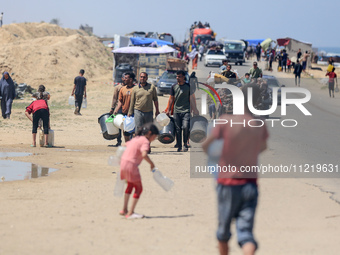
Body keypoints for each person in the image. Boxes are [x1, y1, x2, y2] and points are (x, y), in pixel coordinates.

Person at [202, 83, 268, 255]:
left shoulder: (225, 122)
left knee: (223, 232)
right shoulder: (259, 124)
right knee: (246, 234)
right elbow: (262, 147)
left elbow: (206, 146)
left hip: (228, 183)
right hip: (250, 184)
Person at [119, 123, 159, 219]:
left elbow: (123, 145)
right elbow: (144, 154)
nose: (154, 139)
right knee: (138, 188)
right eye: (154, 137)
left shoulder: (136, 139)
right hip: (131, 165)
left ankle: (124, 209)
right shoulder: (145, 141)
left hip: (123, 164)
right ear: (150, 133)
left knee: (130, 185)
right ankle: (130, 213)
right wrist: (152, 164)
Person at [166, 70, 199, 152]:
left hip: (186, 111)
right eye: (177, 76)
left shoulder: (188, 87)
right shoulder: (173, 87)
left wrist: (195, 109)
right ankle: (179, 146)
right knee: (178, 129)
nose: (177, 78)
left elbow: (192, 99)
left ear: (183, 77)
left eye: (179, 76)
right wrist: (168, 110)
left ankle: (185, 144)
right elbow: (171, 99)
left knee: (185, 127)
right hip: (177, 111)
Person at [114, 72, 136, 142]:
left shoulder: (136, 89)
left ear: (131, 79)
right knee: (126, 131)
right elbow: (120, 101)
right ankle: (128, 146)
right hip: (125, 113)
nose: (124, 79)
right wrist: (116, 110)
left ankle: (134, 146)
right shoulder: (122, 89)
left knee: (134, 131)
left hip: (134, 113)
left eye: (126, 78)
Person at [109, 73, 127, 146]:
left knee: (127, 125)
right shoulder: (117, 87)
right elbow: (114, 98)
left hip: (127, 109)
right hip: (118, 109)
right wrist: (112, 108)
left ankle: (129, 142)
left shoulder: (130, 88)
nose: (126, 79)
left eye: (127, 78)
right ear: (122, 78)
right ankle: (119, 141)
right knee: (118, 125)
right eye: (124, 78)